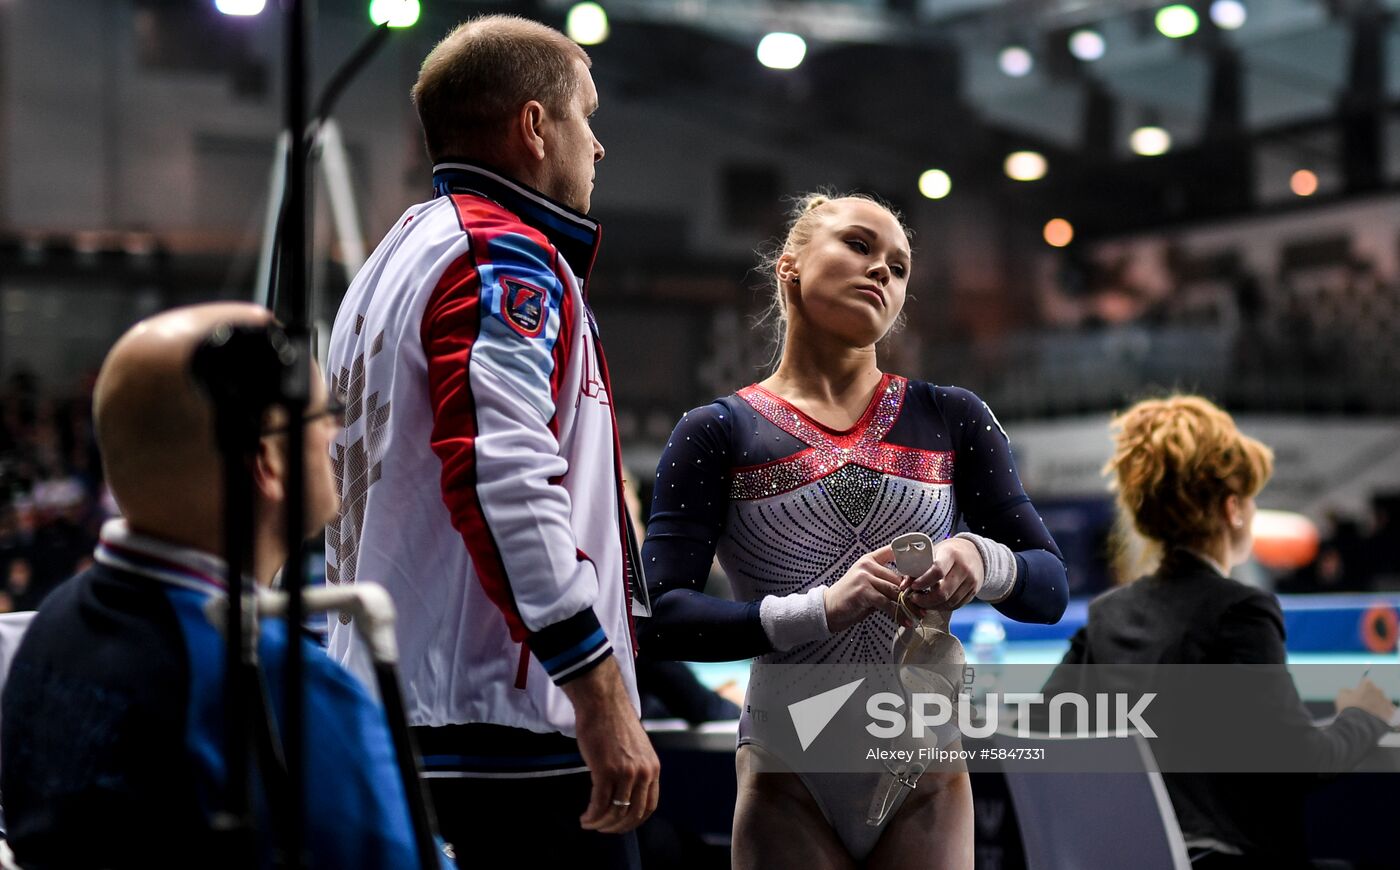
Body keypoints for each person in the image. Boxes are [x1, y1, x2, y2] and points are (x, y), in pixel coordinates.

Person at [641, 193, 1069, 869]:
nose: (882, 273)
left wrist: (979, 558)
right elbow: (662, 619)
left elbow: (1047, 585)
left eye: (899, 268)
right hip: (790, 775)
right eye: (860, 246)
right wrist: (822, 609)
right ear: (791, 265)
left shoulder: (952, 417)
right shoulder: (717, 432)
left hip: (923, 775)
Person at [323, 14, 658, 868]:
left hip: (413, 707)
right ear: (535, 126)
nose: (600, 147)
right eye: (587, 116)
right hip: (501, 736)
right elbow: (500, 476)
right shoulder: (499, 257)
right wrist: (597, 691)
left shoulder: (394, 258)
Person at [0, 303, 442, 868]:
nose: (339, 429)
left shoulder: (50, 633)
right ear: (268, 458)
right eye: (326, 412)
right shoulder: (285, 689)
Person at [1039, 394, 1394, 868]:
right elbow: (1302, 762)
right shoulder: (1241, 610)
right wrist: (1365, 715)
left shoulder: (1107, 615)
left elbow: (1039, 731)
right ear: (1233, 509)